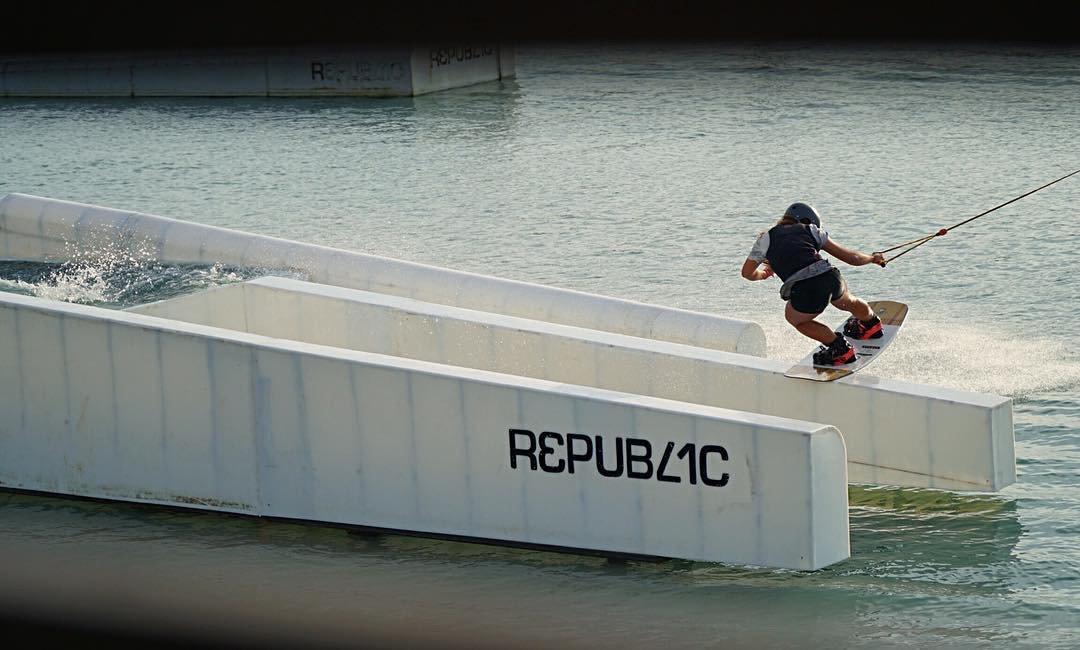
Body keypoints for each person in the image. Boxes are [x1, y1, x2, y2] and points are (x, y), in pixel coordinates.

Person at [741, 202, 887, 366]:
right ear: (807, 221)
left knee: (795, 318)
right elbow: (852, 258)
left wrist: (762, 274)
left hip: (808, 289)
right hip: (830, 277)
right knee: (847, 301)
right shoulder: (812, 230)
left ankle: (839, 349)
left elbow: (747, 273)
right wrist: (872, 258)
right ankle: (871, 323)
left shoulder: (765, 238)